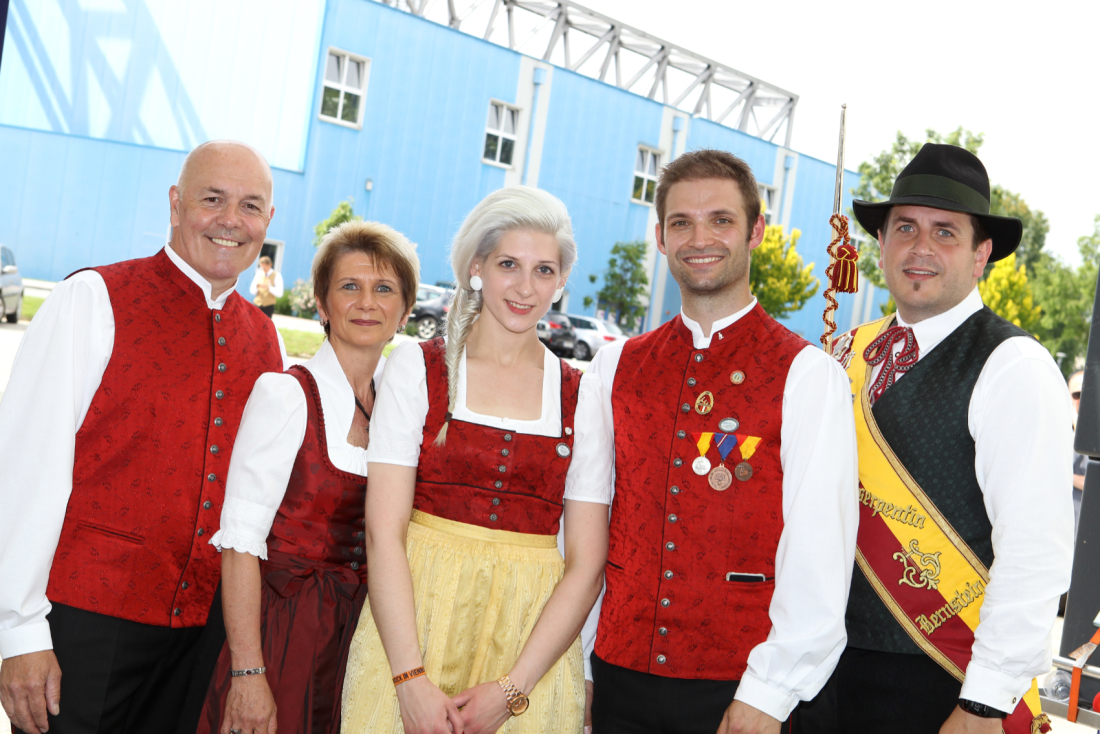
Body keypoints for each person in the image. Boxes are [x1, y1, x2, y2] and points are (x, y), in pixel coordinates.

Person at [0, 140, 288, 734]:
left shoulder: (267, 341)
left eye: (250, 205)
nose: (231, 220)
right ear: (176, 203)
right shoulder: (93, 298)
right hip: (83, 625)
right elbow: (25, 470)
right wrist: (16, 630)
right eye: (213, 199)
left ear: (268, 222)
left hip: (199, 643)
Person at [573, 148, 859, 734]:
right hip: (618, 676)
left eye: (721, 220)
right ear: (660, 236)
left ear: (756, 230)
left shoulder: (807, 374)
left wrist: (770, 692)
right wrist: (581, 664)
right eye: (682, 222)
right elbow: (585, 533)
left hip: (745, 689)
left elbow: (819, 555)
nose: (699, 238)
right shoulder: (613, 367)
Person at [796, 144, 1074, 734]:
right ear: (881, 243)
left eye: (945, 232)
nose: (920, 249)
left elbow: (1035, 552)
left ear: (981, 254)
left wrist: (984, 704)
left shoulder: (1012, 364)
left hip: (942, 680)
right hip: (822, 672)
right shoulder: (844, 353)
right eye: (905, 228)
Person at [340, 186, 608, 734]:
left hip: (528, 646)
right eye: (509, 264)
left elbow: (586, 563)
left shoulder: (586, 395)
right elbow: (382, 532)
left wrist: (513, 690)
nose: (525, 286)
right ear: (478, 266)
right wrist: (409, 678)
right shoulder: (418, 368)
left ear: (560, 283)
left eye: (543, 270)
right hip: (412, 626)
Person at [197, 220, 419, 734]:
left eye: (384, 288)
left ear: (404, 312)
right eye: (349, 286)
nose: (367, 302)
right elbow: (240, 546)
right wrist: (248, 672)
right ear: (321, 304)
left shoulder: (403, 410)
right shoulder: (286, 395)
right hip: (284, 635)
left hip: (364, 636)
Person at [1070, 369, 1087, 535]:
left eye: (1088, 392)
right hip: (1065, 538)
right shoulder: (1058, 434)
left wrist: (1065, 476)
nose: (1082, 399)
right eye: (1076, 394)